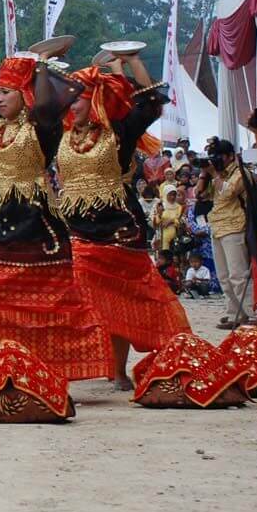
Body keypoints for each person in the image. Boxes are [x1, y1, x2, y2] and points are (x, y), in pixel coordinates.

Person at [0, 51, 110, 382]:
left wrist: (41, 66)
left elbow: (46, 108)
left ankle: (50, 371)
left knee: (48, 308)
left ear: (25, 94)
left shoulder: (43, 129)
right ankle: (7, 369)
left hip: (36, 225)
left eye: (7, 91)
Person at [55, 55, 190, 387]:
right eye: (70, 99)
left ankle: (119, 370)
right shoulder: (62, 134)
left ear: (95, 99)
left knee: (123, 298)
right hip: (76, 227)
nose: (72, 105)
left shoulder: (118, 132)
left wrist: (131, 61)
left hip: (118, 227)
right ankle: (93, 365)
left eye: (80, 98)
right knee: (84, 297)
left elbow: (151, 101)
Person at [205, 140, 252, 329]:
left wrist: (215, 174)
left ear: (230, 156)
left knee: (238, 274)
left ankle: (253, 312)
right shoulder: (218, 175)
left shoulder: (240, 172)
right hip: (217, 227)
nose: (216, 160)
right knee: (224, 276)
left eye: (219, 156)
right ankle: (235, 314)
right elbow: (202, 195)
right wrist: (204, 175)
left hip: (235, 226)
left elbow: (228, 193)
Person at [151, 183, 186, 257]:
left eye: (174, 194)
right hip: (162, 236)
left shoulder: (179, 207)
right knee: (164, 256)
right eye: (170, 194)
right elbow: (155, 223)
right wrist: (159, 215)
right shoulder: (160, 206)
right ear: (165, 194)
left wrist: (171, 221)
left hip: (176, 237)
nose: (172, 197)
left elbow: (182, 221)